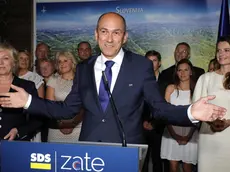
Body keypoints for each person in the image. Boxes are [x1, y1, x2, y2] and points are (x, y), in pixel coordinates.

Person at [0, 12, 226, 144]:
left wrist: (190, 112)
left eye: (116, 32)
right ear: (96, 35)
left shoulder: (141, 66)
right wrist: (29, 102)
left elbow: (158, 108)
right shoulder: (85, 67)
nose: (109, 38)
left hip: (127, 150)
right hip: (90, 151)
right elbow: (67, 109)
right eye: (104, 32)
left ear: (125, 37)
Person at [192, 36, 230, 172]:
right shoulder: (206, 78)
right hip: (209, 138)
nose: (221, 54)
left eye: (226, 50)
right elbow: (196, 109)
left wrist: (228, 122)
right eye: (219, 50)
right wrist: (212, 122)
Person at [0, 42, 43, 141]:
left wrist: (19, 131)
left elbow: (38, 118)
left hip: (16, 146)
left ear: (14, 62)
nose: (0, 63)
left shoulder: (27, 86)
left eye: (5, 58)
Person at [161, 59, 198, 172]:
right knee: (173, 167)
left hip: (191, 133)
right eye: (180, 70)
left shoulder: (196, 90)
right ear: (176, 72)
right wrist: (174, 135)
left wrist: (188, 136)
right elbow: (165, 114)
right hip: (171, 132)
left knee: (188, 167)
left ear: (191, 71)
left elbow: (197, 116)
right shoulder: (171, 89)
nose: (183, 73)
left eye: (186, 70)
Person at [46, 51, 83, 143]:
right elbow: (50, 107)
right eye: (59, 61)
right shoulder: (53, 80)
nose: (62, 64)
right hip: (56, 129)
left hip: (78, 129)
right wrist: (60, 124)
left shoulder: (82, 80)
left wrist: (73, 124)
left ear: (72, 62)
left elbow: (85, 106)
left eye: (65, 60)